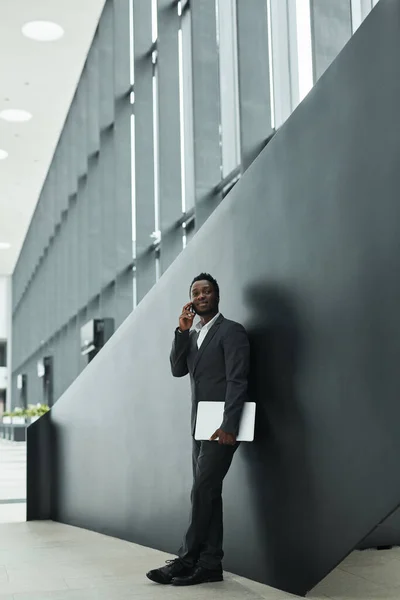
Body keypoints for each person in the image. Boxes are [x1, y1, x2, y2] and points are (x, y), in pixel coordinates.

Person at [146, 273, 250, 587]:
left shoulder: (232, 331)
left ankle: (186, 559)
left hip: (222, 426)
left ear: (216, 296)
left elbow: (238, 380)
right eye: (196, 292)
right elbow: (177, 370)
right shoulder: (191, 336)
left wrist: (230, 425)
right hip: (199, 425)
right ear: (191, 300)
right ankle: (210, 565)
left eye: (207, 291)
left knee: (202, 490)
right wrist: (181, 331)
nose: (202, 295)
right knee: (209, 492)